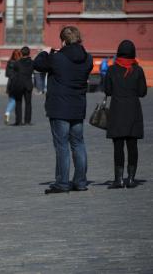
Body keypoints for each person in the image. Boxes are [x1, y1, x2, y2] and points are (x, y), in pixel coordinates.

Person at [34, 26, 93, 194]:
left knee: (62, 146)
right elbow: (73, 62)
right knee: (78, 144)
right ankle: (80, 181)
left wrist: (46, 52)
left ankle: (62, 182)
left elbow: (37, 64)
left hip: (59, 108)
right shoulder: (88, 58)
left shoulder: (56, 58)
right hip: (78, 107)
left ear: (63, 41)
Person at [105, 40, 147, 189]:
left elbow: (108, 91)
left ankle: (118, 179)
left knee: (118, 146)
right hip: (133, 110)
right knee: (132, 146)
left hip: (117, 110)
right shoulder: (138, 70)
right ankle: (131, 179)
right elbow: (142, 93)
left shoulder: (111, 70)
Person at [14, 46, 34, 126]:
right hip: (28, 84)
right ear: (29, 53)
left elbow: (15, 72)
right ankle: (27, 121)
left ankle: (19, 121)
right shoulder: (32, 62)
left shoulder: (17, 62)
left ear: (21, 53)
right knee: (28, 103)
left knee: (18, 103)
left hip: (19, 84)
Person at [4, 49, 22, 125]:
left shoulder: (9, 62)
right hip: (18, 84)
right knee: (16, 101)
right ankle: (16, 117)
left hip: (10, 83)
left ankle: (7, 112)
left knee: (11, 100)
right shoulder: (20, 63)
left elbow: (6, 74)